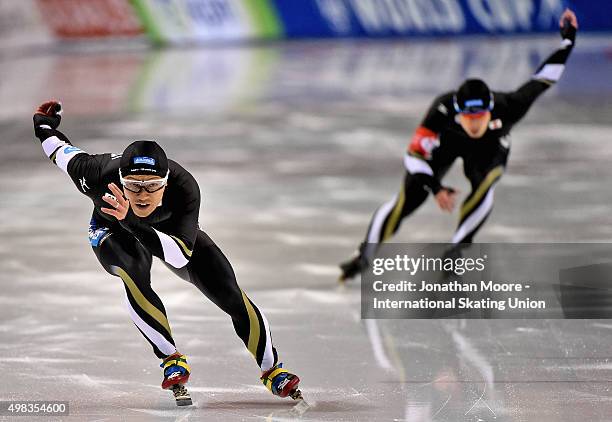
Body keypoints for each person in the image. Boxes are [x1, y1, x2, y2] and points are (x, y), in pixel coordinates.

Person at [32, 102, 302, 405]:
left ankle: (272, 370)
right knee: (131, 271)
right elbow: (61, 152)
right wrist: (44, 124)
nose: (143, 194)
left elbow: (178, 258)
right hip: (112, 232)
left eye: (152, 186)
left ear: (166, 183)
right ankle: (170, 357)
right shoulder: (96, 173)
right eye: (133, 186)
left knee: (229, 292)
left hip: (168, 236)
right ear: (120, 180)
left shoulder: (185, 188)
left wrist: (131, 219)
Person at [339, 9, 578, 281]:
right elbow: (414, 156)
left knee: (486, 183)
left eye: (480, 117)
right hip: (448, 145)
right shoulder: (442, 110)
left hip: (489, 149)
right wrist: (436, 188)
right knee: (406, 200)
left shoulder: (509, 106)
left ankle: (455, 253)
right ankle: (365, 256)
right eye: (468, 117)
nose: (474, 124)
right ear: (457, 112)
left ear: (491, 110)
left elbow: (544, 78)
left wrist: (568, 40)